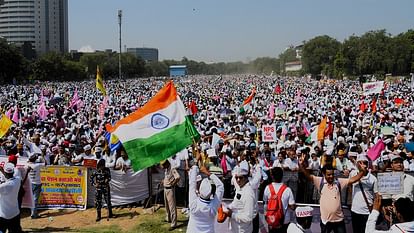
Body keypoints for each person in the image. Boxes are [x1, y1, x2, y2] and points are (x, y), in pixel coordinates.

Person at [299, 154, 368, 233]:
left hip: (339, 221)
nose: (331, 176)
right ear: (324, 174)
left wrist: (362, 171)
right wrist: (301, 165)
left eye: (332, 174)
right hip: (325, 222)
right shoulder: (320, 181)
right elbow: (308, 176)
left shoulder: (338, 182)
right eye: (328, 175)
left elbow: (353, 180)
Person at [186, 165, 224, 233]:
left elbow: (192, 183)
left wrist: (195, 167)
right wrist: (208, 173)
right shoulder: (214, 206)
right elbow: (220, 186)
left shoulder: (194, 203)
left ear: (199, 190)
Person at [224, 160, 256, 233]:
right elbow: (237, 203)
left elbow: (248, 217)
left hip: (243, 230)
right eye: (236, 178)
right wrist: (228, 207)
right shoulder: (241, 188)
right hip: (236, 229)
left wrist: (232, 215)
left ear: (246, 178)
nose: (238, 180)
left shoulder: (248, 193)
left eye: (241, 178)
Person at [350, 154, 378, 233]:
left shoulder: (373, 179)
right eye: (360, 162)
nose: (363, 165)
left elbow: (376, 197)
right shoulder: (353, 174)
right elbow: (349, 186)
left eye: (365, 163)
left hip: (367, 212)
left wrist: (374, 211)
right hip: (355, 211)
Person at [263, 167, 296, 233]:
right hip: (284, 221)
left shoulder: (267, 188)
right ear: (282, 176)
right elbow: (292, 207)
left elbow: (265, 204)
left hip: (271, 220)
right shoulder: (287, 189)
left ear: (272, 176)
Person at [0, 163, 22, 233]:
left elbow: (6, 184)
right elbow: (9, 177)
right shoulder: (18, 180)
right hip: (15, 213)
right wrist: (2, 171)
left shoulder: (3, 186)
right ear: (13, 172)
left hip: (4, 216)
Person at [161, 159, 180, 231]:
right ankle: (168, 218)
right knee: (166, 205)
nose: (162, 167)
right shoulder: (166, 169)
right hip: (165, 188)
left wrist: (173, 184)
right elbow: (167, 177)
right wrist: (163, 181)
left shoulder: (172, 168)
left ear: (166, 164)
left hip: (170, 189)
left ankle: (174, 224)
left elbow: (178, 177)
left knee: (172, 207)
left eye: (163, 165)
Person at [25, 152, 46, 219]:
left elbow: (28, 161)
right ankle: (34, 214)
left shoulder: (26, 165)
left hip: (29, 184)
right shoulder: (38, 165)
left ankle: (33, 213)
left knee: (32, 199)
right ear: (34, 158)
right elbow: (45, 163)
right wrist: (42, 156)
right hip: (37, 183)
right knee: (35, 199)